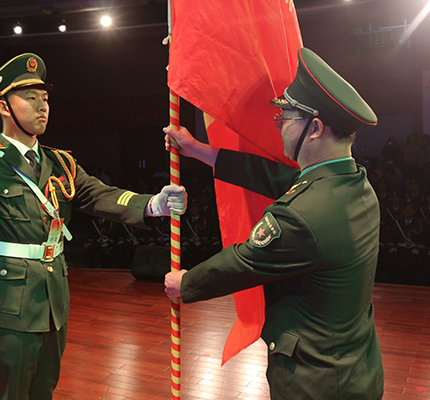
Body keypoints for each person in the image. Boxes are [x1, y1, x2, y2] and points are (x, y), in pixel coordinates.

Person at [0, 53, 187, 400]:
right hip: (6, 300)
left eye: (45, 99)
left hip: (53, 297)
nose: (42, 106)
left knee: (43, 390)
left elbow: (101, 195)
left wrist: (154, 204)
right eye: (31, 98)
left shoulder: (60, 163)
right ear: (3, 107)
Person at [163, 48, 384, 399]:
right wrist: (200, 150)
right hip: (356, 368)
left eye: (286, 117)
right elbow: (278, 177)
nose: (278, 124)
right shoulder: (354, 183)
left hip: (315, 382)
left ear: (314, 128)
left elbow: (241, 263)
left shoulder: (300, 216)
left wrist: (185, 283)